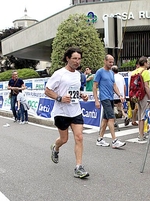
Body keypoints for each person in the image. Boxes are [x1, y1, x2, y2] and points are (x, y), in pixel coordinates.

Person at [44, 47, 90, 179]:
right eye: (74, 58)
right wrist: (60, 98)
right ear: (67, 58)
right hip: (61, 112)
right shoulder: (59, 74)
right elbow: (47, 90)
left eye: (79, 59)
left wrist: (82, 95)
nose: (77, 61)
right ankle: (56, 147)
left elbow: (74, 91)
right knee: (64, 139)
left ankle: (78, 167)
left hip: (75, 110)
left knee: (79, 137)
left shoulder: (78, 75)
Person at [93, 54, 126, 149]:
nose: (111, 64)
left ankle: (100, 139)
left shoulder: (111, 73)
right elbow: (95, 86)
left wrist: (120, 95)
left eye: (112, 62)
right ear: (105, 61)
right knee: (111, 118)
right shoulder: (100, 72)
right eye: (109, 62)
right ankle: (114, 140)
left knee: (105, 119)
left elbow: (114, 85)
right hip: (104, 98)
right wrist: (96, 100)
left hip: (111, 98)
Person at [130, 57, 150, 141]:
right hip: (143, 95)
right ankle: (141, 134)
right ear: (145, 63)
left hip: (136, 95)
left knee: (140, 114)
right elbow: (146, 86)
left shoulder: (134, 72)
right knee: (143, 115)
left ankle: (140, 133)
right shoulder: (145, 71)